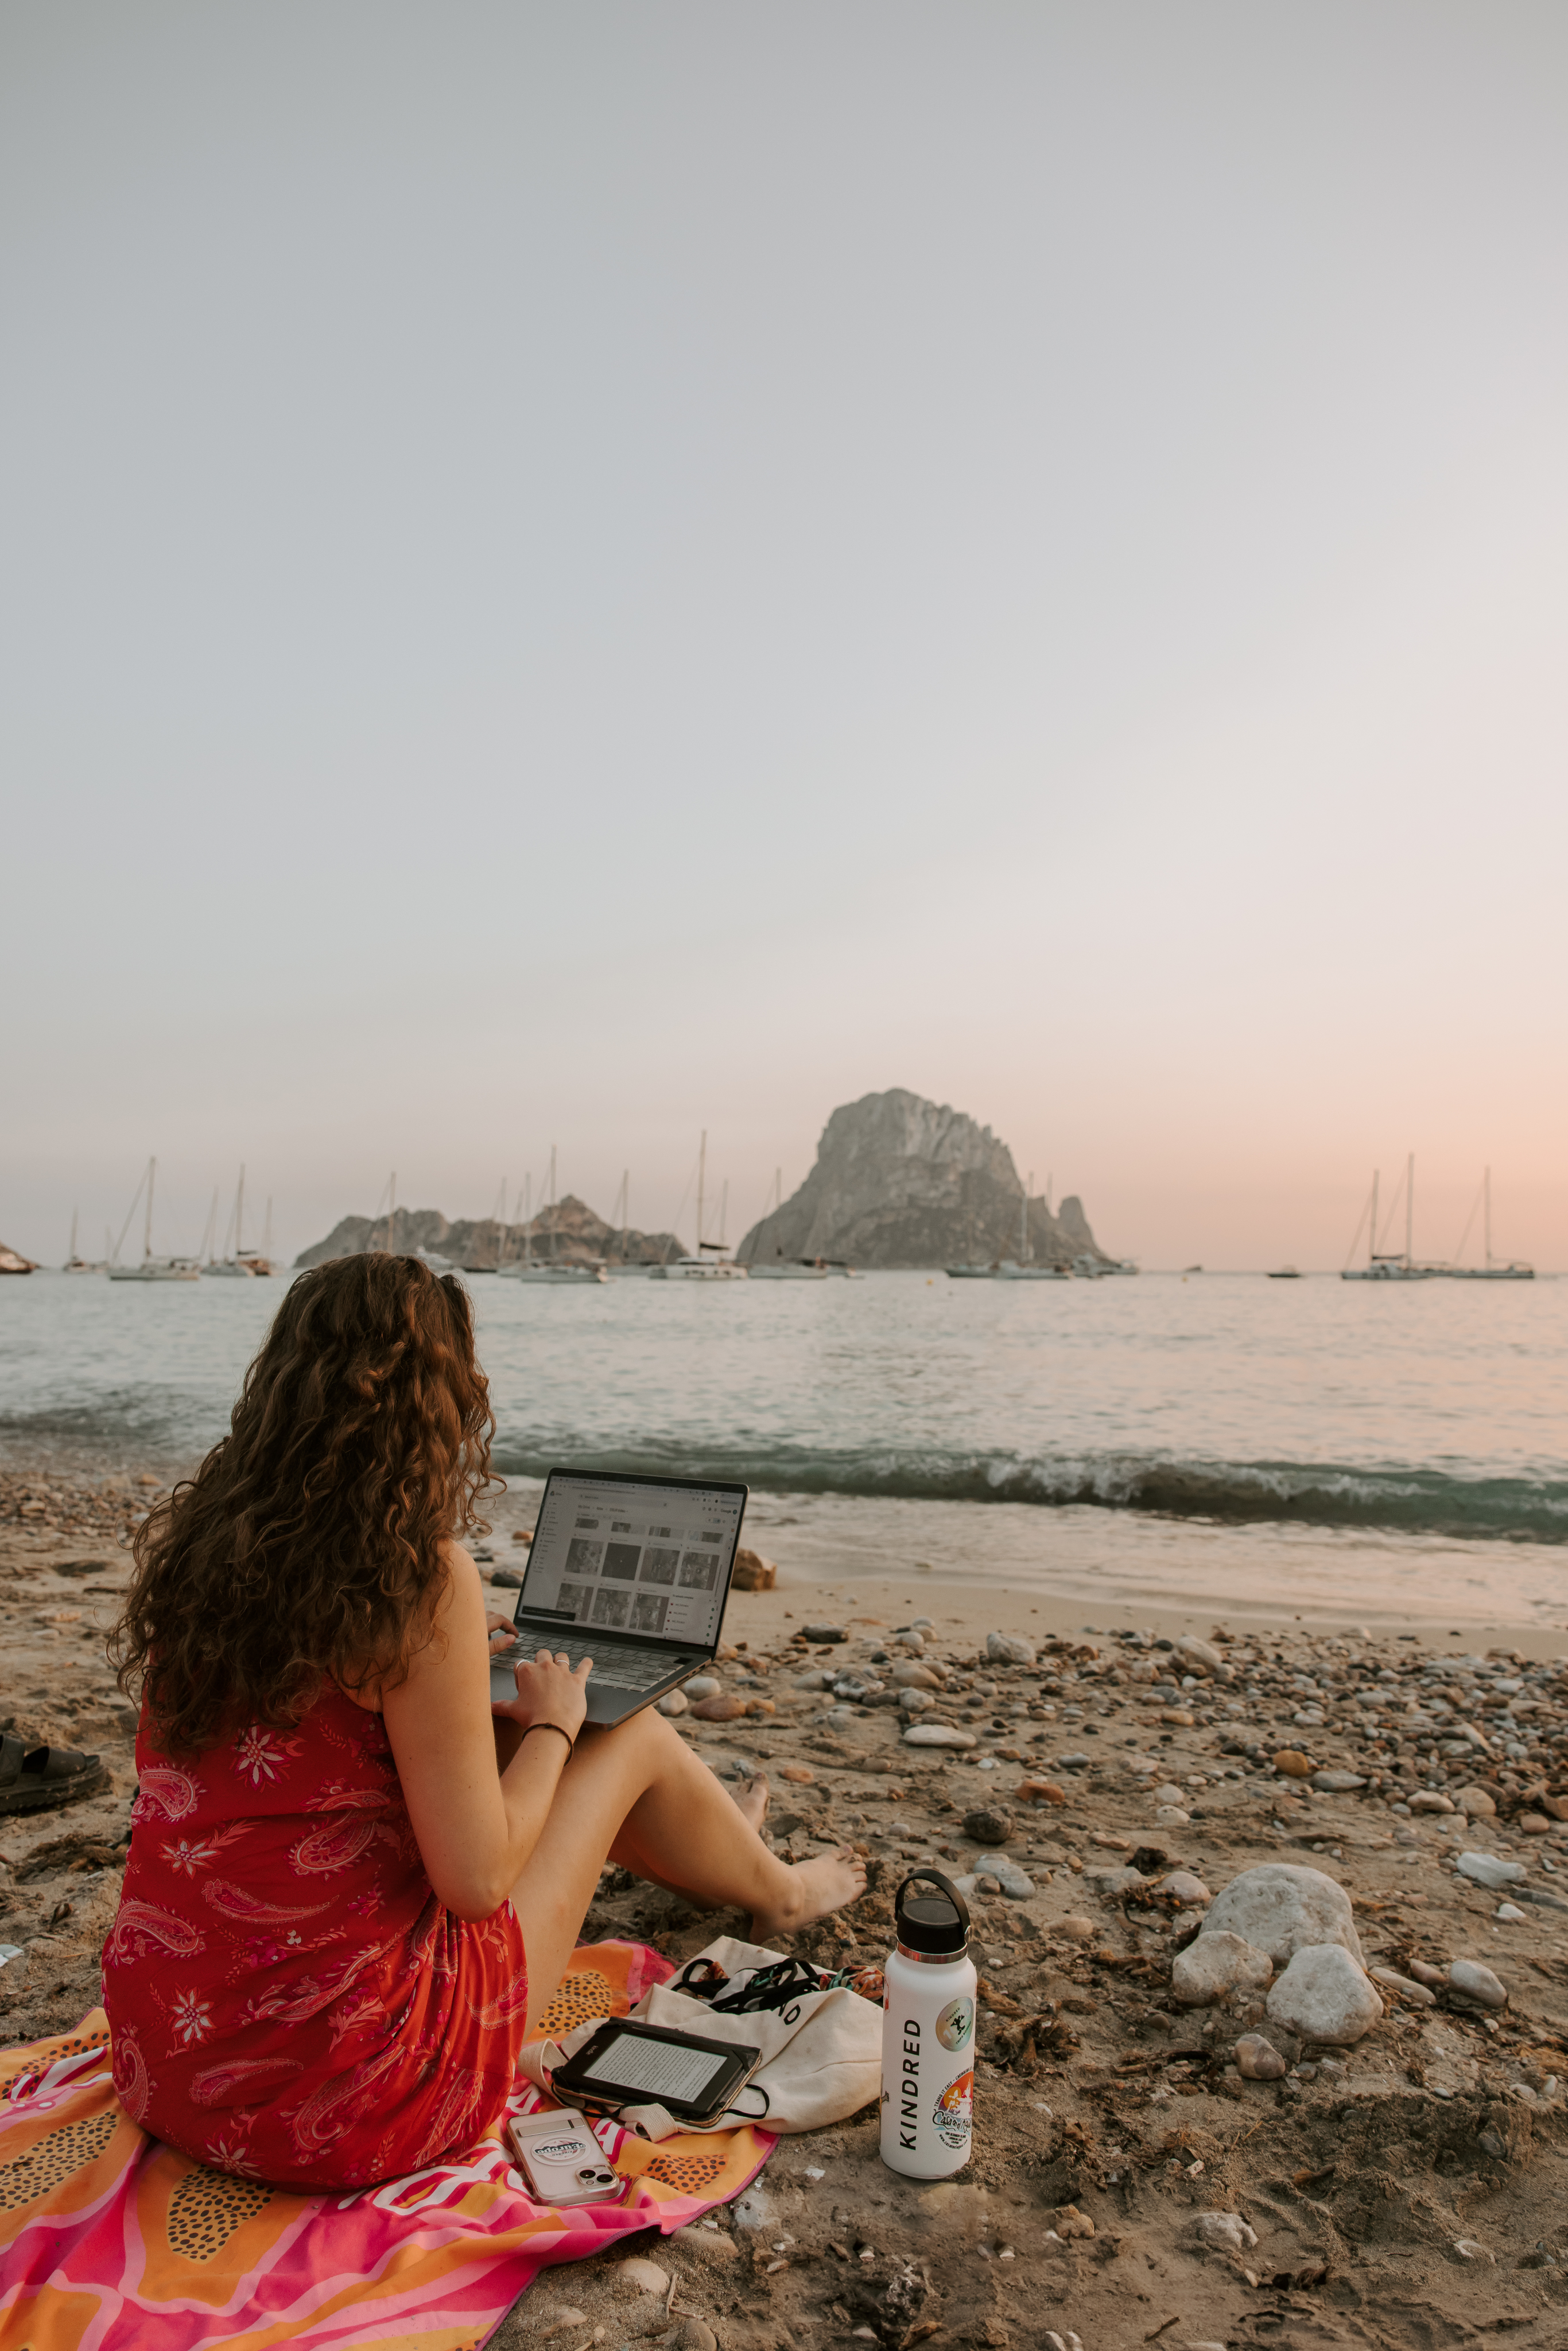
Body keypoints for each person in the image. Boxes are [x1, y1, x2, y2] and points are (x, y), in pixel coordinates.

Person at [105, 1254, 863, 2190]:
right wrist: (552, 1724)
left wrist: (465, 1672)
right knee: (616, 1732)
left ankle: (721, 1851)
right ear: (438, 1401)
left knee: (507, 1722)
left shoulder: (207, 1551)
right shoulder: (414, 1578)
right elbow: (473, 1883)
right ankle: (779, 1892)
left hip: (173, 2059)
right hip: (344, 2096)